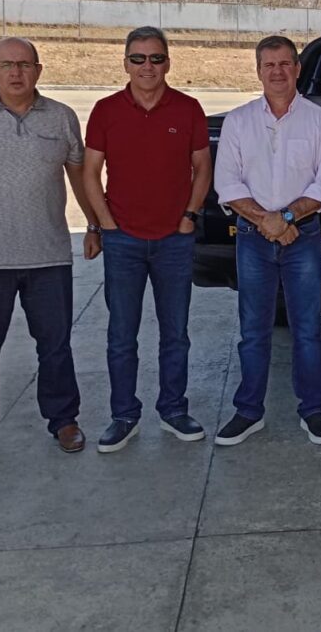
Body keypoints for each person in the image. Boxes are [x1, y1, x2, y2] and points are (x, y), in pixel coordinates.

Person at [0, 37, 91, 469]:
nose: (16, 73)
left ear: (39, 70)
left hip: (48, 255)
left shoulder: (62, 118)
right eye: (6, 64)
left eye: (24, 65)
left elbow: (80, 176)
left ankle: (64, 420)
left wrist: (95, 223)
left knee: (56, 345)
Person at [79, 26, 212, 452]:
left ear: (168, 62)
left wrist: (190, 216)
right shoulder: (105, 110)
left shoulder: (188, 109)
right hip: (124, 242)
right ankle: (124, 415)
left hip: (175, 239)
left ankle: (173, 409)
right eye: (138, 59)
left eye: (156, 58)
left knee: (176, 333)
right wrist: (105, 224)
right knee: (122, 334)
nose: (147, 67)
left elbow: (203, 168)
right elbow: (89, 173)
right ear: (126, 63)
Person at [212, 35, 321, 446]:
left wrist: (286, 218)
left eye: (285, 63)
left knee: (307, 328)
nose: (277, 71)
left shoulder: (319, 121)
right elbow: (226, 183)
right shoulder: (238, 121)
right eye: (268, 65)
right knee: (254, 329)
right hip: (252, 239)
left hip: (302, 237)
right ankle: (248, 411)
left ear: (298, 68)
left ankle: (313, 411)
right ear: (258, 71)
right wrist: (266, 221)